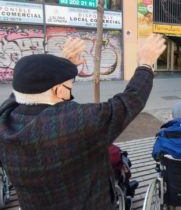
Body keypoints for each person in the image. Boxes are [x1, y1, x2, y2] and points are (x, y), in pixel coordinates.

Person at [0, 35, 166, 209]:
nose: (70, 90)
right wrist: (146, 63)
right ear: (58, 90)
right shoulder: (77, 122)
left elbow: (23, 91)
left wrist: (62, 64)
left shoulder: (5, 122)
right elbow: (130, 100)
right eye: (69, 86)